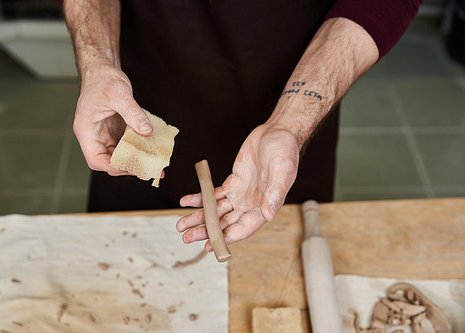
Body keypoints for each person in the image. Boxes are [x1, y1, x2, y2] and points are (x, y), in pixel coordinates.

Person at [61, 0, 421, 252]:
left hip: (287, 108)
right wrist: (98, 63)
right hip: (139, 105)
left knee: (280, 261)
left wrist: (289, 123)